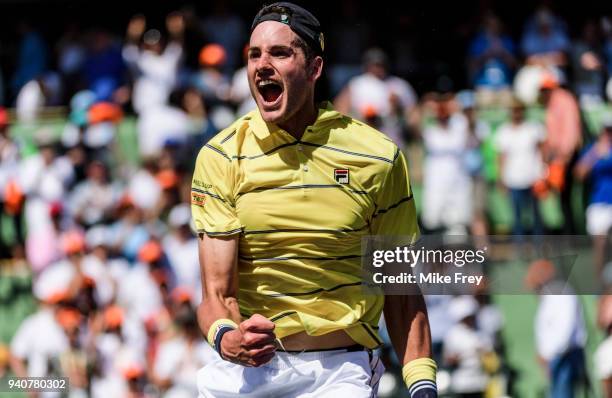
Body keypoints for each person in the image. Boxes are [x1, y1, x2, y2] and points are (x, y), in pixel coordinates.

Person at [191, 3, 436, 397]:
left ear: (315, 68)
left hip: (340, 373)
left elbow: (400, 291)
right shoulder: (219, 157)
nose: (262, 65)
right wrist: (226, 337)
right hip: (246, 375)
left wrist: (421, 383)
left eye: (280, 53)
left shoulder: (379, 158)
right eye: (254, 55)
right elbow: (217, 295)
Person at [525, 259, 588, 398]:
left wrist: (549, 356)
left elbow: (565, 332)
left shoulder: (561, 294)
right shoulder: (548, 297)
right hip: (557, 358)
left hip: (565, 357)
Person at [495, 98, 545, 235]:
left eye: (519, 110)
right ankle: (520, 247)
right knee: (517, 217)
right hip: (513, 179)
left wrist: (542, 173)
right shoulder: (503, 131)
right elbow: (501, 157)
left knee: (537, 216)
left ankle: (539, 247)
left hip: (533, 177)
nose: (516, 113)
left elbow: (542, 151)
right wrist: (501, 178)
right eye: (513, 110)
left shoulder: (533, 128)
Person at [575, 116, 612, 276]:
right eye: (607, 130)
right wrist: (596, 154)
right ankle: (601, 286)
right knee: (600, 245)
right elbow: (580, 173)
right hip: (599, 203)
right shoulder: (593, 150)